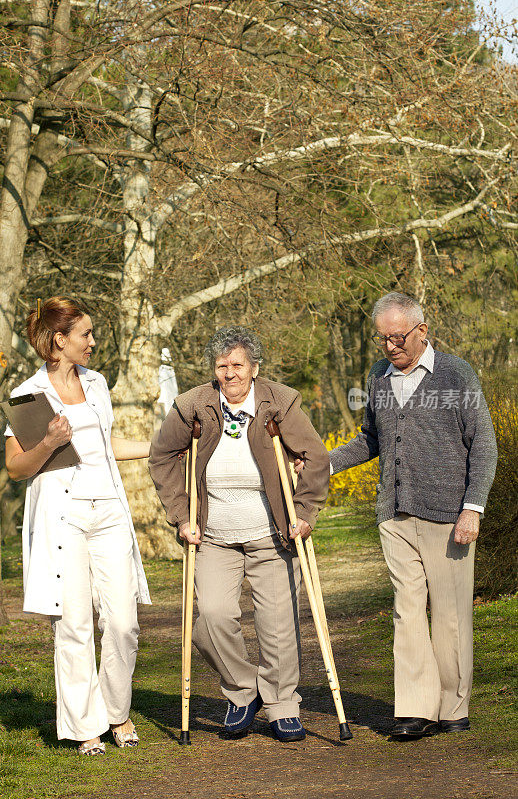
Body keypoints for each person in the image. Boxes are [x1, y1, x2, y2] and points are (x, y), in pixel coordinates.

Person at [328, 292, 497, 739]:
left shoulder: (456, 375)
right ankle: (415, 709)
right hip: (395, 512)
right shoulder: (379, 378)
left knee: (450, 614)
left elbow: (482, 445)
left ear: (422, 330)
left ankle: (452, 707)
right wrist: (324, 464)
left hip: (449, 515)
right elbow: (371, 439)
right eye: (382, 338)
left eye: (398, 337)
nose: (389, 347)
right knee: (407, 609)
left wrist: (472, 508)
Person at [149, 326, 329, 742]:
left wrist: (303, 512)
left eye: (237, 365)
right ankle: (243, 692)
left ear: (254, 367)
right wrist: (180, 516)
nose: (229, 374)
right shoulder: (194, 405)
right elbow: (161, 457)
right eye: (221, 366)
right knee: (211, 617)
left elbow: (315, 457)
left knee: (278, 623)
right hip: (212, 534)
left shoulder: (279, 402)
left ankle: (283, 705)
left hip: (272, 532)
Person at [5, 296, 151, 755]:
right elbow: (15, 468)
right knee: (73, 625)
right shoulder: (27, 394)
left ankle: (116, 710)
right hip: (61, 516)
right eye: (84, 334)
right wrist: (49, 440)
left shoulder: (98, 383)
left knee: (123, 622)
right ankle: (86, 726)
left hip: (108, 510)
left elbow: (106, 446)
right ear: (58, 341)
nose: (92, 342)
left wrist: (164, 444)